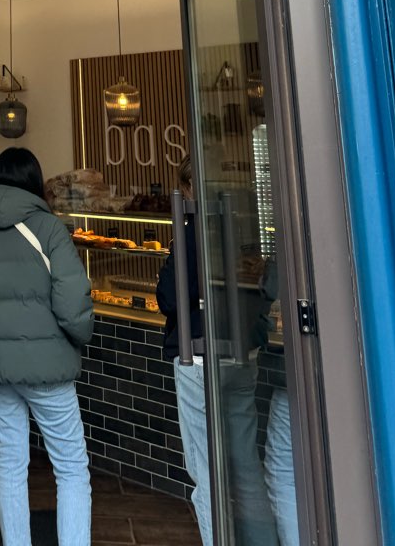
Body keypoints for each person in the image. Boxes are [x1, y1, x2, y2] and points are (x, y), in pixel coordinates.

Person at [0, 146, 94, 546]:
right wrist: (80, 338)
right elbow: (73, 304)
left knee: (10, 464)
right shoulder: (50, 228)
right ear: (34, 181)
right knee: (71, 468)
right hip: (47, 368)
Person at [157, 155, 286, 546]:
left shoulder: (193, 231)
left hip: (198, 357)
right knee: (246, 468)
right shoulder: (247, 225)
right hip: (244, 355)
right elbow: (268, 285)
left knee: (207, 474)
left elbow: (169, 297)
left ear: (188, 188)